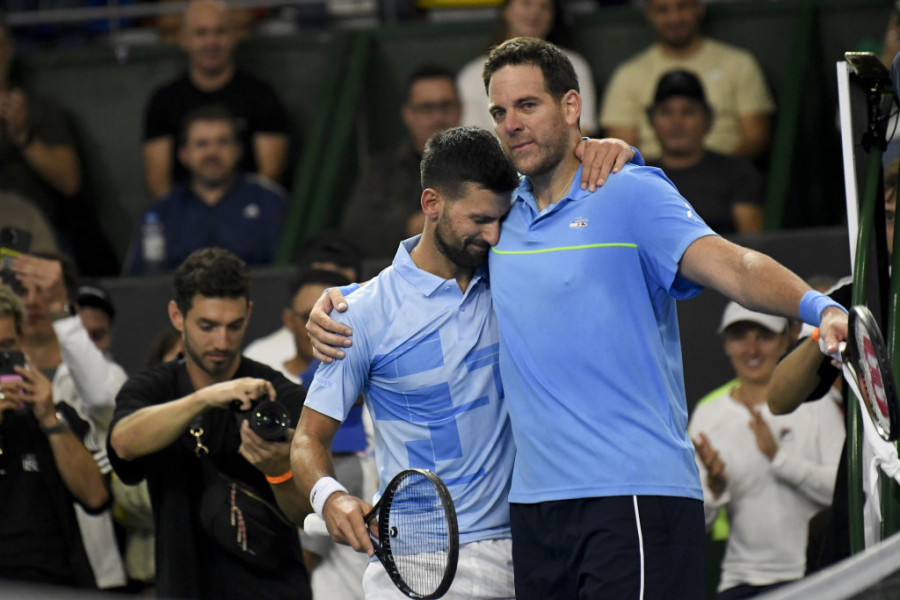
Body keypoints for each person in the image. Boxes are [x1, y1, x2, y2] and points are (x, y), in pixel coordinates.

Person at [308, 37, 848, 599]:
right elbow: (425, 268)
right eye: (499, 111)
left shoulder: (631, 192)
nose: (512, 123)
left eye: (528, 105)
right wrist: (341, 301)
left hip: (634, 495)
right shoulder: (502, 219)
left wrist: (820, 307)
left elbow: (735, 266)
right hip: (535, 516)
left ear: (571, 106)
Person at [292, 126, 523, 600]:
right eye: (479, 219)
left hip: (525, 552)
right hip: (416, 563)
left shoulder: (514, 276)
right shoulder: (358, 314)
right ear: (431, 203)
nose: (495, 234)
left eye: (502, 218)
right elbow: (307, 439)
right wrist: (330, 498)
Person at [107, 247, 312, 600]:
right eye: (207, 326)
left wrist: (280, 472)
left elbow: (306, 514)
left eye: (234, 326)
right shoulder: (154, 388)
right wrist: (205, 398)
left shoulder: (276, 394)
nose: (222, 342)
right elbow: (123, 442)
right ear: (177, 316)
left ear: (249, 314)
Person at [766, 161, 899, 571]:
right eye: (888, 217)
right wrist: (826, 332)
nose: (895, 230)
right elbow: (779, 398)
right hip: (865, 513)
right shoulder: (856, 294)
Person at [689, 302, 843, 598]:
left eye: (764, 336)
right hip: (740, 583)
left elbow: (843, 495)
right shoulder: (707, 416)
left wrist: (779, 458)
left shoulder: (818, 405)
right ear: (727, 345)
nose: (752, 350)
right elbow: (698, 527)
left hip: (814, 578)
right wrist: (715, 488)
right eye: (739, 337)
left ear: (786, 341)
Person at [249, 267, 371, 600]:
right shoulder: (292, 387)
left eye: (334, 313)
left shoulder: (348, 458)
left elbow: (304, 557)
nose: (324, 323)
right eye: (312, 315)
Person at [10, 251, 128, 589]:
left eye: (42, 291)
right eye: (23, 290)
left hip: (90, 561)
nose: (33, 301)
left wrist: (59, 306)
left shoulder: (103, 374)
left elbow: (103, 398)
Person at [0, 14, 117, 276]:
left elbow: (69, 181)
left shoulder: (38, 108)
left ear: (10, 50)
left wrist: (23, 136)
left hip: (29, 233)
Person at [142, 0, 290, 198]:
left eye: (220, 32)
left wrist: (234, 210)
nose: (211, 42)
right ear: (184, 39)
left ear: (234, 36)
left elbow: (270, 172)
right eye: (201, 33)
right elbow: (158, 182)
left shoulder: (261, 95)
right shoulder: (164, 101)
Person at [600, 0, 774, 161]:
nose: (674, 18)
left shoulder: (739, 63)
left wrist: (717, 172)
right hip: (653, 177)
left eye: (682, 7)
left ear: (699, 8)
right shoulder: (628, 74)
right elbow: (621, 148)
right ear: (650, 15)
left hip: (725, 174)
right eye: (663, 10)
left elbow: (756, 138)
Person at [128, 104, 286, 275]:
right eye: (201, 144)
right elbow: (137, 281)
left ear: (238, 150)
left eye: (222, 142)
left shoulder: (270, 202)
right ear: (184, 154)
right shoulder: (160, 211)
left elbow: (290, 274)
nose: (212, 153)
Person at [341, 65, 462, 261]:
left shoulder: (483, 165)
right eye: (426, 108)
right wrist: (415, 225)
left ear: (461, 108)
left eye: (446, 106)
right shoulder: (382, 170)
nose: (438, 117)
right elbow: (356, 231)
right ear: (408, 114)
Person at [646, 69, 764, 235]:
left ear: (708, 118)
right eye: (666, 112)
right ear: (652, 120)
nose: (676, 122)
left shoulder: (737, 172)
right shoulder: (640, 176)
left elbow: (753, 241)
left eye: (688, 112)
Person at [456, 0, 597, 135]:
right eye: (526, 3)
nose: (535, 12)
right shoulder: (472, 75)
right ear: (506, 10)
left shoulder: (573, 65)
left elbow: (581, 128)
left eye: (544, 7)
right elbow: (473, 139)